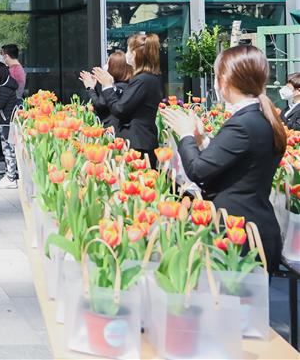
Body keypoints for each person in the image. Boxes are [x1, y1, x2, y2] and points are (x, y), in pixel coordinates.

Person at [161, 45, 286, 268]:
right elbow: (235, 162)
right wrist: (201, 140)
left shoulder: (243, 123)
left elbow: (198, 170)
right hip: (252, 227)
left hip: (241, 235)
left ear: (225, 80)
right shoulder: (258, 117)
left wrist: (186, 135)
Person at [92, 33, 163, 168]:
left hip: (137, 143)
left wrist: (107, 86)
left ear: (136, 54)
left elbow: (119, 109)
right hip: (144, 140)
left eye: (128, 51)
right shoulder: (151, 78)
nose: (126, 55)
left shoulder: (141, 80)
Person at [79, 50, 132, 130]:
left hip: (111, 130)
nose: (105, 66)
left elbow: (100, 105)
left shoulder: (113, 88)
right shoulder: (128, 87)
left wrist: (90, 88)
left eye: (108, 63)